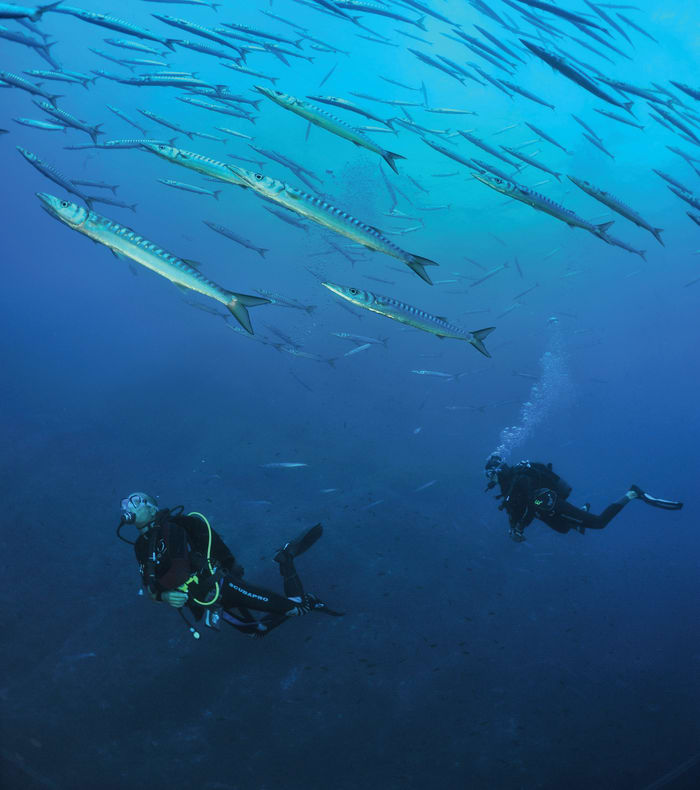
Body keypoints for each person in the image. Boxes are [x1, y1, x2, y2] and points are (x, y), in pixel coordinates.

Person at [117, 492, 341, 638]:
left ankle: (286, 559)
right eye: (126, 503)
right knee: (257, 631)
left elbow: (179, 571)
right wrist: (162, 596)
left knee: (297, 609)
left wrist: (163, 592)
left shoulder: (174, 528)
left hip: (221, 586)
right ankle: (290, 590)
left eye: (136, 501)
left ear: (152, 508)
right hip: (205, 601)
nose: (129, 506)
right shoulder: (140, 547)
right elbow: (149, 587)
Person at [484, 455, 683, 542]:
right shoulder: (509, 485)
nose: (489, 479)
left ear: (496, 471)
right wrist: (516, 526)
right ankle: (581, 512)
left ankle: (632, 494)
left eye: (489, 474)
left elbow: (529, 502)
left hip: (551, 505)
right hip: (546, 511)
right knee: (563, 529)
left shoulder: (518, 479)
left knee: (599, 523)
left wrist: (519, 526)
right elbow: (520, 508)